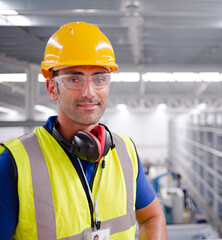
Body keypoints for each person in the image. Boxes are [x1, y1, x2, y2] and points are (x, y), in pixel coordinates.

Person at [0, 21, 167, 239]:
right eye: (74, 79)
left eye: (99, 78)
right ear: (52, 88)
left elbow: (152, 217)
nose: (89, 92)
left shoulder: (125, 151)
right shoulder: (13, 163)